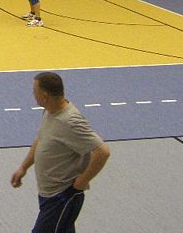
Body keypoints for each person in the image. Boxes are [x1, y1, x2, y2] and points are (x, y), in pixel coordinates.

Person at [11, 72, 111, 232]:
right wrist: (24, 167)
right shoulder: (49, 111)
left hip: (62, 197)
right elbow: (41, 139)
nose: (32, 94)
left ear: (45, 96)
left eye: (34, 91)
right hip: (48, 195)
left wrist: (81, 182)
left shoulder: (70, 121)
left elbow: (102, 152)